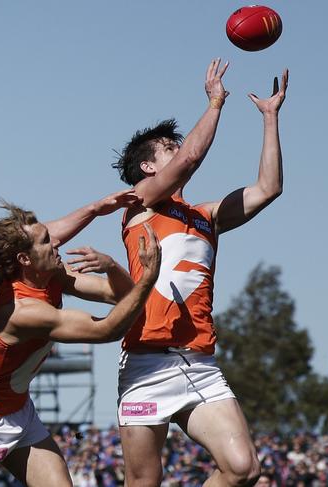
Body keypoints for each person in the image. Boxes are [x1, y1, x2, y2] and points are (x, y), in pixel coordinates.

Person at [112, 59, 289, 487]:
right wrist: (214, 104)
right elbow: (191, 157)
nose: (178, 148)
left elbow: (268, 188)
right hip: (145, 364)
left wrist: (269, 118)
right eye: (166, 148)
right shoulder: (141, 205)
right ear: (149, 169)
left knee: (244, 468)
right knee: (143, 482)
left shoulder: (205, 214)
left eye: (175, 145)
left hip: (199, 362)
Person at [0, 202, 162, 487]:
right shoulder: (22, 311)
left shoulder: (53, 276)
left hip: (19, 412)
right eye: (46, 240)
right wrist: (149, 277)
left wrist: (111, 267)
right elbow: (108, 329)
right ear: (25, 259)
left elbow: (120, 295)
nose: (57, 242)